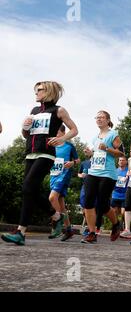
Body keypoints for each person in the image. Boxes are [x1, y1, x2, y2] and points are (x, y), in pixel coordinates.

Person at [2, 81, 78, 246]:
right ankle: (56, 216)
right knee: (28, 190)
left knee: (28, 187)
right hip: (30, 153)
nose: (36, 92)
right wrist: (24, 128)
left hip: (46, 154)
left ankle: (20, 232)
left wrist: (61, 139)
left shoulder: (59, 110)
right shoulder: (34, 111)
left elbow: (74, 129)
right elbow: (26, 135)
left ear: (49, 91)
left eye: (40, 90)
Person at [81, 110, 124, 244]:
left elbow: (121, 153)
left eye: (102, 117)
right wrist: (90, 154)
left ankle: (116, 224)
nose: (99, 119)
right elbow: (97, 155)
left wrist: (107, 149)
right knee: (88, 202)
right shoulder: (95, 137)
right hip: (93, 172)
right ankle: (92, 233)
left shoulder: (113, 134)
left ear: (107, 120)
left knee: (102, 205)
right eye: (97, 117)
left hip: (108, 174)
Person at [48, 125, 80, 241]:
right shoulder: (51, 145)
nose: (55, 135)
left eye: (57, 132)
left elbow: (78, 160)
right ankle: (69, 229)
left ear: (63, 133)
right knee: (60, 203)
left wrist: (73, 163)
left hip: (64, 174)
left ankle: (57, 226)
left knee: (52, 198)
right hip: (53, 174)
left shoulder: (69, 146)